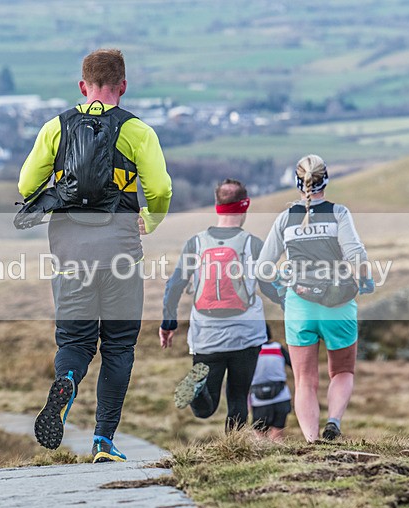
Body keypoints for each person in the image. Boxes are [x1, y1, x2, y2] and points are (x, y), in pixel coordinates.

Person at [18, 49, 172, 463]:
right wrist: (150, 220)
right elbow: (160, 189)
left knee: (75, 340)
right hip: (120, 248)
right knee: (119, 346)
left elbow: (26, 184)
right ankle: (104, 440)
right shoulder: (138, 131)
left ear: (82, 87)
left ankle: (66, 380)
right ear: (123, 86)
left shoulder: (56, 127)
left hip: (70, 250)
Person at [257, 154, 374, 442]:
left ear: (298, 183)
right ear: (326, 180)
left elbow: (263, 268)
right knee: (343, 371)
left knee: (305, 381)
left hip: (299, 305)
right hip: (339, 305)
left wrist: (281, 296)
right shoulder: (339, 213)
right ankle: (333, 422)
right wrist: (364, 279)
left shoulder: (285, 219)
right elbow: (356, 255)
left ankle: (311, 440)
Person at [160, 179, 283, 432]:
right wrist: (289, 304)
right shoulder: (252, 244)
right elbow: (270, 286)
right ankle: (234, 449)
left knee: (206, 407)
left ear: (217, 205)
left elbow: (174, 286)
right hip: (245, 335)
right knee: (238, 399)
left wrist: (168, 323)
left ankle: (196, 391)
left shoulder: (196, 243)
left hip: (206, 336)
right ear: (244, 206)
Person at [250, 324, 292, 442]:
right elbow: (295, 366)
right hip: (281, 397)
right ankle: (278, 458)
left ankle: (263, 458)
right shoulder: (278, 348)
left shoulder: (251, 351)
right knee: (277, 436)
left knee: (259, 437)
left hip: (258, 401)